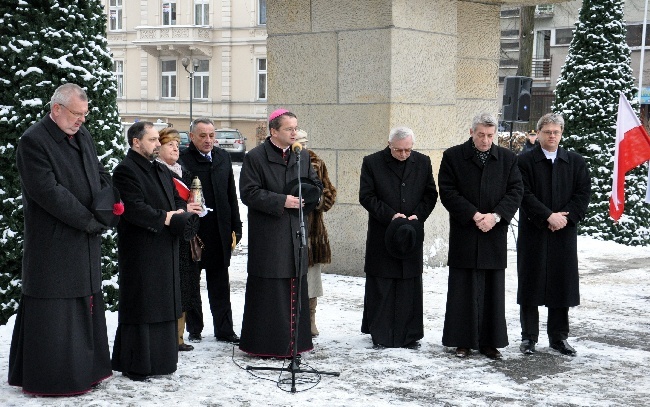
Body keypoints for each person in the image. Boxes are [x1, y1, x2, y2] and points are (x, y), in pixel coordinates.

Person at [8, 83, 114, 395]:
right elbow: (49, 194)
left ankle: (86, 372)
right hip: (54, 244)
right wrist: (89, 222)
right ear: (56, 110)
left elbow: (99, 172)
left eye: (85, 115)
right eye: (77, 114)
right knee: (56, 316)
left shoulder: (82, 134)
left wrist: (108, 203)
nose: (82, 120)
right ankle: (54, 379)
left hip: (84, 241)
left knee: (84, 307)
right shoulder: (34, 141)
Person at [111, 121, 193, 381]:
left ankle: (162, 361)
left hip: (164, 247)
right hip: (141, 251)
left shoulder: (159, 168)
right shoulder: (125, 170)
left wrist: (180, 211)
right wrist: (166, 218)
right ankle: (138, 364)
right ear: (136, 142)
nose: (158, 144)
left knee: (164, 303)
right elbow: (133, 208)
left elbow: (176, 196)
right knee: (144, 306)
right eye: (153, 140)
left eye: (159, 140)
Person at [438, 112, 523, 360]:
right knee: (462, 289)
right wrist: (475, 215)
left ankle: (490, 342)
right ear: (471, 132)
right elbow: (448, 191)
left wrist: (494, 217)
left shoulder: (507, 158)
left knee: (492, 291)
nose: (485, 140)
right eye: (481, 135)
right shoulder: (453, 156)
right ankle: (461, 341)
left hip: (493, 234)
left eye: (489, 135)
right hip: (466, 231)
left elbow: (516, 190)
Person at [238, 109, 322, 358]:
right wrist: (281, 201)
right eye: (289, 129)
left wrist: (309, 196)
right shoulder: (255, 157)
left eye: (296, 128)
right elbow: (249, 193)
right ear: (274, 131)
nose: (294, 132)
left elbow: (316, 185)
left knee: (296, 284)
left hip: (296, 231)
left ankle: (296, 343)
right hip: (269, 235)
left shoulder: (301, 155)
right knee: (270, 290)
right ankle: (266, 345)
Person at [516, 113, 591, 356]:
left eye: (556, 132)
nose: (552, 136)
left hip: (563, 233)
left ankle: (559, 337)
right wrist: (547, 216)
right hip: (534, 230)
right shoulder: (524, 162)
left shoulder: (575, 162)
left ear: (561, 134)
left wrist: (565, 219)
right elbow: (523, 194)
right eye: (547, 131)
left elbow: (583, 194)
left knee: (561, 284)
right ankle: (529, 337)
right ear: (538, 134)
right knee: (530, 284)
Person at [359, 126, 438, 349]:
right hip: (382, 232)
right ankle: (380, 334)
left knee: (408, 284)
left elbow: (430, 194)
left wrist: (417, 216)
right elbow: (366, 196)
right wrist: (391, 216)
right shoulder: (372, 162)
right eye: (398, 150)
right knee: (382, 283)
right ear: (389, 145)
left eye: (407, 150)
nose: (403, 154)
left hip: (410, 233)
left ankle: (409, 335)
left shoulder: (422, 162)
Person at [179, 117, 243, 344]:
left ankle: (225, 330)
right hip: (194, 232)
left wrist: (236, 225)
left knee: (219, 283)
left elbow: (230, 195)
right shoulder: (183, 160)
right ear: (192, 137)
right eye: (203, 136)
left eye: (212, 135)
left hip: (219, 230)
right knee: (192, 282)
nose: (208, 140)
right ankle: (194, 328)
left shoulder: (223, 157)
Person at [156, 127, 204, 352]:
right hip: (166, 235)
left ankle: (179, 336)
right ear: (158, 149)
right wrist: (185, 207)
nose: (176, 148)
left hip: (185, 235)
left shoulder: (184, 172)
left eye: (177, 144)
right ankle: (167, 336)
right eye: (169, 144)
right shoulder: (157, 171)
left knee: (185, 285)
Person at [294, 130, 337, 337]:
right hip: (287, 227)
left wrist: (316, 200)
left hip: (312, 230)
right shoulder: (283, 162)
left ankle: (310, 318)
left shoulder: (317, 163)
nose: (300, 145)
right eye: (297, 141)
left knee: (312, 279)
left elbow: (330, 194)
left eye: (303, 142)